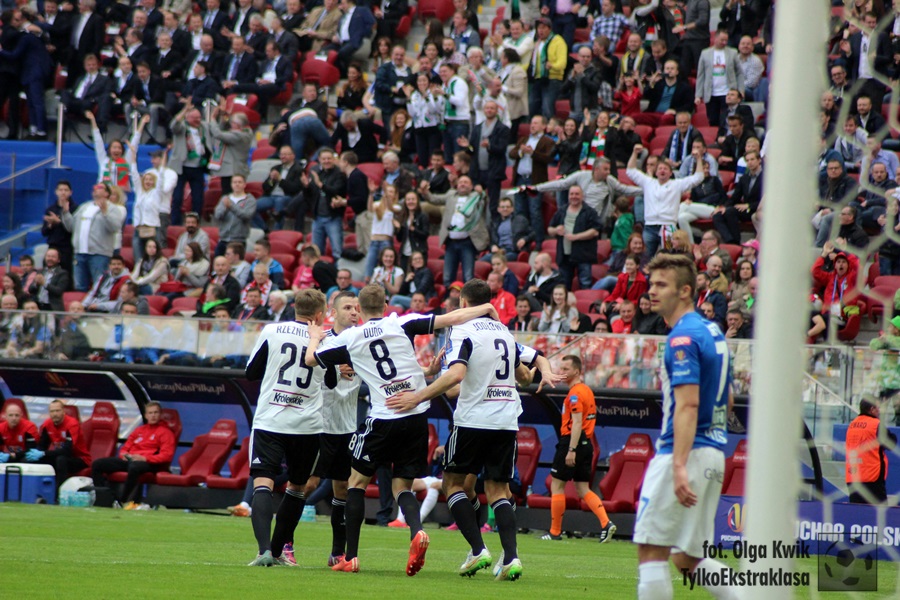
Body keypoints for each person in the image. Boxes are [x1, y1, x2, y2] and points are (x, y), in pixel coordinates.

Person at [305, 284, 500, 574]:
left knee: (356, 482)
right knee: (402, 485)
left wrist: (313, 338)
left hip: (384, 416)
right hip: (417, 414)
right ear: (385, 306)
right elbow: (451, 318)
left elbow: (311, 360)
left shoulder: (349, 336)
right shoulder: (402, 321)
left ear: (359, 309)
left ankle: (352, 556)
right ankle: (417, 530)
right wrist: (485, 308)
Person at [383, 279, 527, 580]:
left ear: (463, 303)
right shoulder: (503, 330)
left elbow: (456, 376)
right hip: (506, 420)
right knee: (499, 490)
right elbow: (524, 375)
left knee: (452, 485)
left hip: (474, 419)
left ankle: (478, 550)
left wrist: (418, 395)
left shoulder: (462, 330)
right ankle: (511, 558)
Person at [634, 253, 740, 600]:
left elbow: (689, 403)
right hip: (712, 453)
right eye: (651, 283)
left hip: (683, 453)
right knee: (687, 558)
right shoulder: (713, 332)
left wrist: (679, 464)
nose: (652, 291)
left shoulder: (682, 338)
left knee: (651, 551)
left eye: (661, 284)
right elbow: (729, 396)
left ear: (685, 291)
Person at [243, 289, 328, 566]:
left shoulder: (273, 330)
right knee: (297, 487)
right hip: (307, 425)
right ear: (319, 314)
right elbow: (333, 382)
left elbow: (251, 372)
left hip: (271, 420)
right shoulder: (326, 340)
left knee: (263, 483)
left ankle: (264, 550)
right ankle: (279, 552)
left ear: (294, 308)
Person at [542, 354, 616, 542]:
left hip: (572, 442)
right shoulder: (587, 390)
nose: (562, 372)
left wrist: (571, 450)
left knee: (557, 485)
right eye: (561, 368)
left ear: (577, 371)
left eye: (566, 369)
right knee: (583, 488)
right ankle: (606, 523)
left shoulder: (575, 394)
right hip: (587, 443)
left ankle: (555, 532)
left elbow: (576, 423)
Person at [312, 291, 362, 565]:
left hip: (347, 426)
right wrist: (330, 369)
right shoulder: (322, 342)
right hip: (320, 425)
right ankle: (286, 543)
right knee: (307, 483)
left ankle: (337, 552)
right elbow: (310, 376)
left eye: (356, 307)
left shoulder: (362, 343)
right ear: (334, 312)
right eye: (347, 307)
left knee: (342, 488)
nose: (354, 312)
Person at [91, 401, 176, 509]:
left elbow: (166, 455)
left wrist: (145, 458)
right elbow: (125, 448)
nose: (153, 415)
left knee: (134, 467)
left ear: (160, 415)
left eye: (156, 412)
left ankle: (123, 500)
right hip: (132, 460)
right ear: (146, 415)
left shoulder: (165, 432)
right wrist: (124, 455)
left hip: (150, 463)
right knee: (98, 464)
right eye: (150, 413)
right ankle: (103, 499)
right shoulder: (139, 430)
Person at [627, 144, 704, 255]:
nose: (662, 171)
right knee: (645, 257)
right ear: (656, 172)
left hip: (667, 228)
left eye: (665, 169)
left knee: (668, 256)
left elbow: (698, 177)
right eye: (660, 169)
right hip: (649, 227)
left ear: (670, 172)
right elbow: (630, 171)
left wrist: (699, 159)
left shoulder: (677, 184)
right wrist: (634, 153)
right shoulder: (648, 182)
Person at [426, 175, 489, 286]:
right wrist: (424, 191)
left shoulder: (476, 196)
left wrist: (481, 192)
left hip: (467, 241)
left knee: (468, 276)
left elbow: (485, 201)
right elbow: (434, 199)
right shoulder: (451, 195)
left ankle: (468, 300)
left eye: (466, 182)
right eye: (461, 182)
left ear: (471, 186)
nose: (463, 184)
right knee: (447, 276)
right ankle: (447, 300)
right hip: (451, 241)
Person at [63, 182, 125, 292]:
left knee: (99, 286)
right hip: (80, 253)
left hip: (99, 254)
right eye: (94, 187)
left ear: (106, 193)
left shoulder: (113, 208)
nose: (95, 188)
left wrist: (105, 213)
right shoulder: (84, 207)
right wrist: (66, 213)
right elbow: (71, 227)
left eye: (99, 187)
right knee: (79, 286)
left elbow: (115, 227)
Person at [547, 186, 603, 289]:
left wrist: (576, 237)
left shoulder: (590, 212)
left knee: (585, 283)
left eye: (577, 194)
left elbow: (595, 231)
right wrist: (556, 230)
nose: (574, 196)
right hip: (564, 256)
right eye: (571, 194)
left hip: (583, 255)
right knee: (563, 286)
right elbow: (550, 229)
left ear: (582, 196)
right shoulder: (562, 211)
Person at [31, 400, 92, 493]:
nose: (55, 414)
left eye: (57, 411)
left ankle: (59, 494)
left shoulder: (72, 424)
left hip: (80, 459)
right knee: (37, 459)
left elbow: (67, 450)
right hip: (59, 457)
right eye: (52, 411)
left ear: (63, 411)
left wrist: (44, 453)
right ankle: (37, 492)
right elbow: (42, 446)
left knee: (61, 459)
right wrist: (36, 454)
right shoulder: (47, 424)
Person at [845, 399, 897, 504]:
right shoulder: (875, 424)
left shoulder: (852, 425)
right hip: (872, 478)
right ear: (872, 409)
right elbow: (890, 443)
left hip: (853, 477)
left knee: (856, 515)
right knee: (878, 515)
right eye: (878, 408)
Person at [213, 174, 256, 257]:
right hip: (223, 239)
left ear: (244, 184)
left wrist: (231, 206)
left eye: (239, 182)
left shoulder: (250, 200)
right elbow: (217, 215)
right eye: (234, 182)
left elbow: (246, 215)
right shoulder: (225, 198)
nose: (237, 184)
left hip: (238, 241)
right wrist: (225, 208)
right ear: (231, 184)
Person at [42, 181, 77, 276]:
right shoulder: (51, 209)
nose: (63, 192)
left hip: (67, 247)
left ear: (71, 192)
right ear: (56, 192)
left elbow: (74, 229)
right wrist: (50, 224)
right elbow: (44, 232)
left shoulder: (75, 208)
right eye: (60, 190)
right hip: (53, 245)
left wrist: (59, 222)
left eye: (66, 190)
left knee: (66, 273)